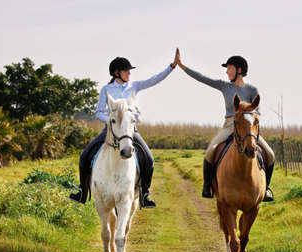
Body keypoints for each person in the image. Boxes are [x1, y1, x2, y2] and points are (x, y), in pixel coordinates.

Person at [70, 51, 178, 207]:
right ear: (117, 73)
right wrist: (112, 122)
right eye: (126, 70)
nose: (129, 73)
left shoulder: (134, 86)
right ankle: (82, 191)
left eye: (129, 71)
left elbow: (154, 79)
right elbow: (99, 112)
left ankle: (144, 194)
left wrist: (172, 66)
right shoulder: (106, 89)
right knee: (85, 155)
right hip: (110, 130)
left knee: (149, 159)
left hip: (130, 131)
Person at [176, 50, 275, 201]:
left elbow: (256, 113)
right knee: (210, 151)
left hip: (248, 128)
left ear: (239, 70)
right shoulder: (225, 86)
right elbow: (202, 78)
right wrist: (182, 66)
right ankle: (207, 186)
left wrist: (251, 123)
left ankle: (265, 189)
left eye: (229, 68)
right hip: (229, 125)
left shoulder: (252, 90)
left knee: (270, 155)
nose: (227, 71)